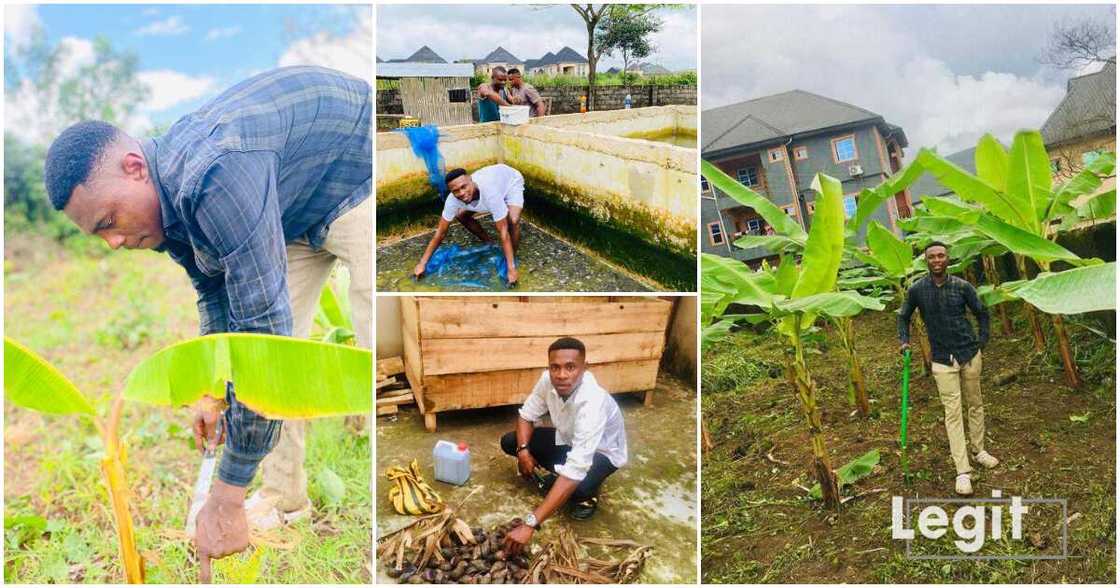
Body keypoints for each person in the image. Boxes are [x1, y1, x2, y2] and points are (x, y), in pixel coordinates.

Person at [42, 66, 372, 581]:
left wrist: (226, 493)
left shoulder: (214, 175)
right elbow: (215, 295)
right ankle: (285, 500)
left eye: (108, 222)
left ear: (134, 168)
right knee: (273, 369)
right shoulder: (164, 213)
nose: (112, 242)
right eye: (96, 235)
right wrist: (214, 390)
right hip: (288, 210)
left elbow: (263, 344)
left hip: (352, 174)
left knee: (363, 340)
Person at [498, 337, 628, 556]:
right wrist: (523, 451)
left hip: (602, 453)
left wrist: (530, 523)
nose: (561, 375)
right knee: (511, 442)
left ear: (584, 368)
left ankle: (588, 497)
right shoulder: (547, 381)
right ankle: (558, 480)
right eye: (555, 367)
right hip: (568, 440)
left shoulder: (592, 402)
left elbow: (576, 468)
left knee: (578, 487)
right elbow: (526, 416)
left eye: (570, 367)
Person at [898, 241, 995, 496]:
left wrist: (981, 342)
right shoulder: (918, 290)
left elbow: (982, 313)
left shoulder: (963, 287)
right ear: (926, 260)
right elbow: (903, 316)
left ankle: (979, 450)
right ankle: (963, 471)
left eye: (941, 255)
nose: (937, 260)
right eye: (932, 257)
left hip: (969, 354)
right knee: (952, 413)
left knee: (975, 403)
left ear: (947, 259)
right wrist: (905, 341)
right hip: (941, 359)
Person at [412, 164, 523, 286]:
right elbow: (440, 233)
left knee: (512, 220)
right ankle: (489, 242)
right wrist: (422, 263)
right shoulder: (452, 200)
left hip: (510, 181)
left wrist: (511, 269)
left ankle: (512, 257)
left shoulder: (490, 192)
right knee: (461, 215)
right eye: (456, 191)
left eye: (463, 187)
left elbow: (503, 232)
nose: (462, 193)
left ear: (471, 180)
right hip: (490, 189)